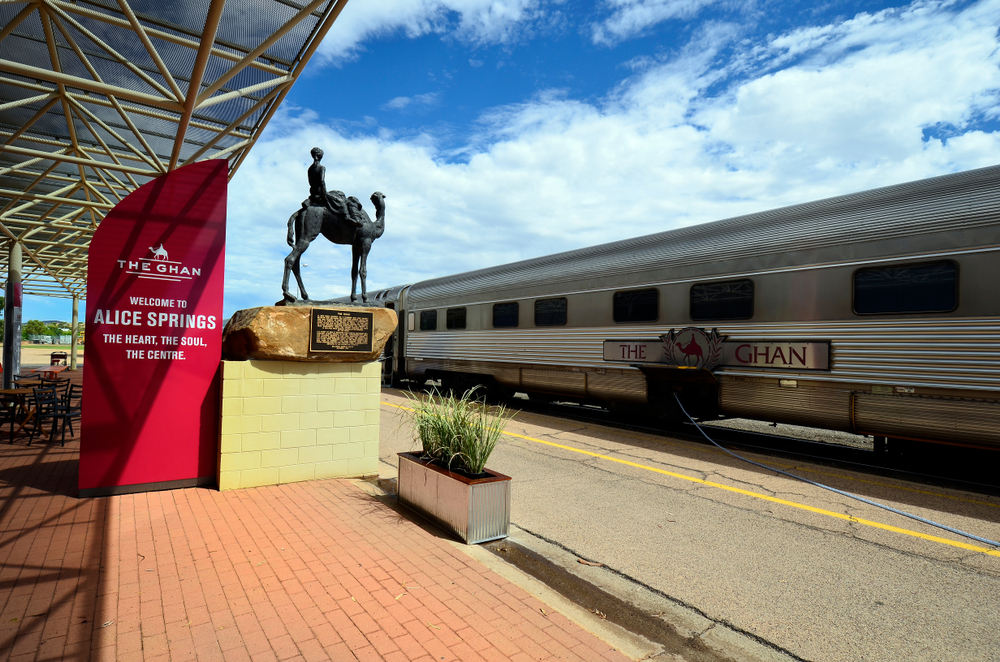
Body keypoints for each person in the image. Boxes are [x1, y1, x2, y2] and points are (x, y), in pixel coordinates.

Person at [305, 147, 359, 226]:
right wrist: (324, 193)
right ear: (320, 156)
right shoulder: (321, 168)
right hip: (321, 192)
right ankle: (347, 216)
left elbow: (310, 182)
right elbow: (322, 181)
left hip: (313, 192)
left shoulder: (310, 169)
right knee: (341, 201)